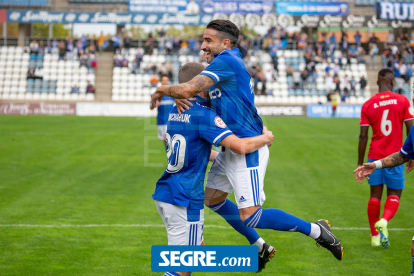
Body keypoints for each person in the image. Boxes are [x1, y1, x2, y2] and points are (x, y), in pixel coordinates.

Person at [150, 20, 344, 267]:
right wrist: (182, 97)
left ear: (226, 42)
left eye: (208, 41)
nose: (203, 46)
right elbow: (199, 97)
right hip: (232, 147)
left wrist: (164, 89)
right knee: (211, 198)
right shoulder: (224, 67)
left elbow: (191, 88)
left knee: (251, 216)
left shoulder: (227, 60)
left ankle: (316, 231)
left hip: (247, 148)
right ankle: (260, 247)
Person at [153, 62, 274, 276]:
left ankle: (258, 247)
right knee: (182, 270)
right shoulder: (204, 115)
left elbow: (182, 145)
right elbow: (239, 145)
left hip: (166, 193)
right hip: (186, 199)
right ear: (199, 85)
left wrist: (220, 159)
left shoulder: (176, 108)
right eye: (210, 80)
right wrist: (264, 138)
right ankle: (258, 248)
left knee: (199, 253)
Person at [356, 69, 413, 248]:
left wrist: (360, 162)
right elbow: (411, 129)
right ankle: (385, 221)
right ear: (392, 82)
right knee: (394, 194)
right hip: (398, 155)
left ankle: (374, 237)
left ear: (377, 82)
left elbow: (363, 136)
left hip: (374, 158)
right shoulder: (402, 101)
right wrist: (411, 155)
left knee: (375, 196)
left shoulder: (368, 104)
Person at [150, 75, 175, 146]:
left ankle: (171, 155)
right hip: (161, 121)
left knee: (167, 139)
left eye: (166, 80)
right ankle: (169, 155)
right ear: (161, 82)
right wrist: (154, 104)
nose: (165, 82)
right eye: (163, 80)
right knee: (165, 141)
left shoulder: (173, 94)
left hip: (171, 121)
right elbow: (151, 107)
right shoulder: (155, 94)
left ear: (168, 81)